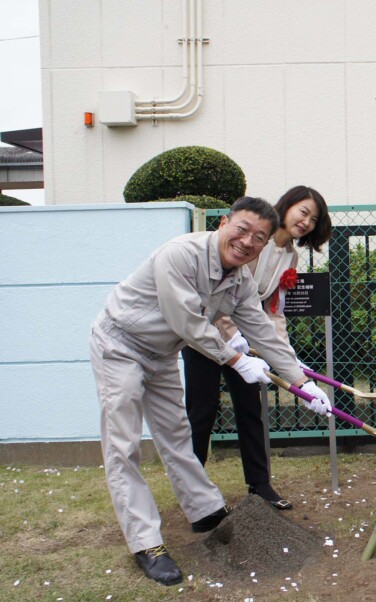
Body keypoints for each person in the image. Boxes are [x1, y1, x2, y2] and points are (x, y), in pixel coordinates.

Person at [89, 196, 334, 586]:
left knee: (176, 436)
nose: (248, 241)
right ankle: (146, 542)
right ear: (224, 223)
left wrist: (305, 384)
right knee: (123, 444)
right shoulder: (180, 254)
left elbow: (264, 333)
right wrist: (235, 360)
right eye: (243, 229)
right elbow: (185, 319)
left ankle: (205, 511)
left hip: (163, 352)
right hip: (122, 344)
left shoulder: (239, 280)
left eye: (259, 237)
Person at [181, 185, 332, 511]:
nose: (305, 222)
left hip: (245, 341)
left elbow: (271, 311)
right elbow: (222, 297)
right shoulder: (253, 241)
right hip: (206, 336)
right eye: (303, 212)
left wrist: (289, 362)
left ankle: (260, 485)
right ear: (287, 205)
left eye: (313, 219)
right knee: (201, 412)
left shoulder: (289, 254)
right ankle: (193, 492)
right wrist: (235, 340)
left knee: (251, 412)